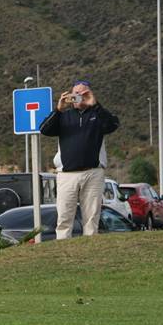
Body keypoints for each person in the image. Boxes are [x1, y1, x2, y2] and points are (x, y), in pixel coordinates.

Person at [39, 79, 120, 240]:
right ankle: (63, 243)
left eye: (83, 94)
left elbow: (113, 125)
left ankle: (90, 246)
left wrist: (95, 104)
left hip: (93, 172)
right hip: (67, 174)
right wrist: (58, 109)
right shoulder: (63, 116)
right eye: (75, 94)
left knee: (91, 215)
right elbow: (44, 129)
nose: (79, 97)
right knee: (64, 214)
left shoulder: (97, 115)